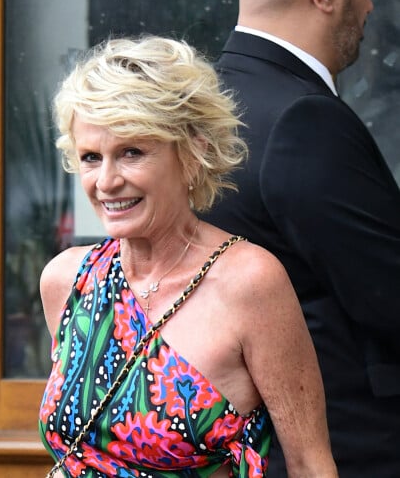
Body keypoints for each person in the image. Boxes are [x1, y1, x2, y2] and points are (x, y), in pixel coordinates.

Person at [38, 35, 337, 477]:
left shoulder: (249, 283)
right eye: (90, 157)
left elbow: (310, 464)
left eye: (131, 152)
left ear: (193, 151)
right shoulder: (67, 280)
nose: (106, 181)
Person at [201, 0, 400, 477]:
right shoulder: (302, 120)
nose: (368, 4)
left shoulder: (202, 106)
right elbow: (388, 295)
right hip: (347, 451)